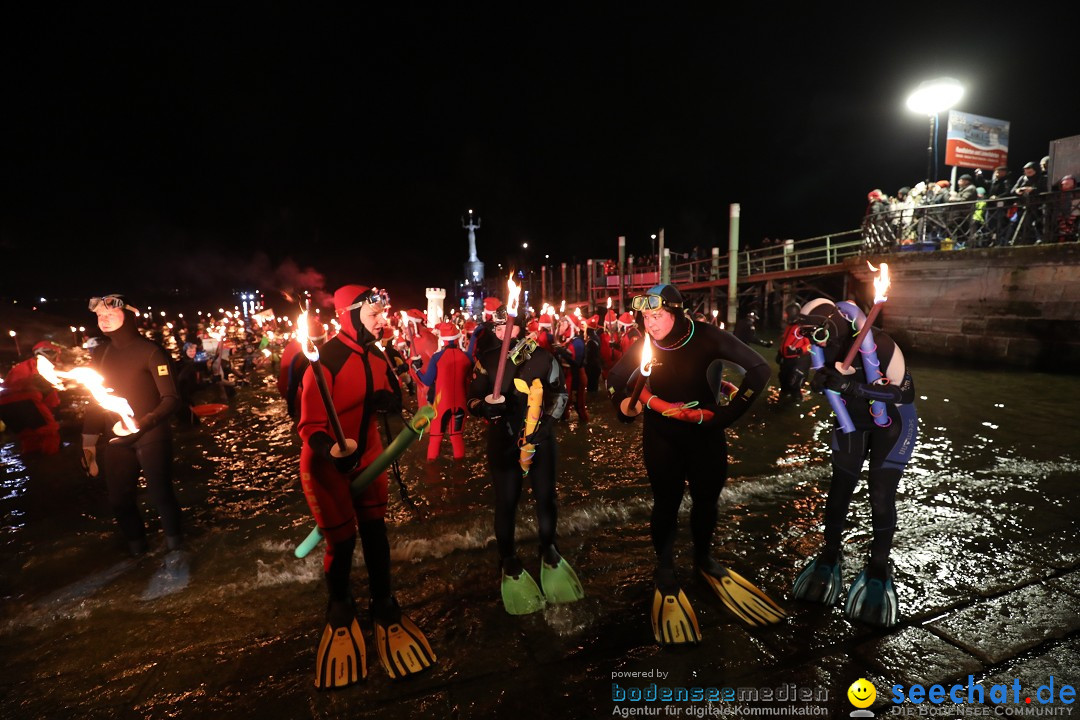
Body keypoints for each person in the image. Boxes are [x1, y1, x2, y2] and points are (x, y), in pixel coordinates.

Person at [606, 284, 779, 645]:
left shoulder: (708, 338)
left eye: (657, 316)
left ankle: (703, 559)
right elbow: (616, 379)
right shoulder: (646, 343)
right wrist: (624, 407)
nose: (650, 324)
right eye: (645, 317)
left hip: (705, 437)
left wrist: (724, 417)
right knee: (666, 503)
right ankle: (665, 567)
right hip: (662, 438)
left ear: (677, 312)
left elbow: (760, 371)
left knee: (706, 500)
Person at [297, 285, 434, 688]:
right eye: (374, 312)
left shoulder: (376, 354)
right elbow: (307, 426)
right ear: (350, 314)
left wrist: (390, 401)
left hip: (371, 456)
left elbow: (391, 395)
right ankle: (340, 604)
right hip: (327, 468)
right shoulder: (324, 362)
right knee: (341, 543)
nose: (382, 318)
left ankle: (383, 601)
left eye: (382, 311)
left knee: (376, 534)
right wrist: (331, 450)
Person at [790, 298, 918, 628]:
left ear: (838, 322)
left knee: (880, 492)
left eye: (821, 332)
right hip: (852, 424)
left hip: (893, 424)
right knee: (840, 485)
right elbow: (810, 371)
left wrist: (852, 386)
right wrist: (812, 380)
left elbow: (907, 393)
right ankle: (830, 554)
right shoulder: (819, 347)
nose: (818, 340)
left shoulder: (884, 345)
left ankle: (877, 567)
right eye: (811, 333)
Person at [466, 303, 581, 615]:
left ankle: (548, 547)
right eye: (497, 328)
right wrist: (484, 408)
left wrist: (544, 427)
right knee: (506, 501)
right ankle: (508, 557)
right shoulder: (487, 361)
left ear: (521, 327)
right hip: (503, 441)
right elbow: (472, 397)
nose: (502, 332)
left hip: (540, 441)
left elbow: (560, 394)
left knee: (546, 498)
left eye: (508, 327)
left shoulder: (545, 358)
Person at [81, 294, 183, 557]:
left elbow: (171, 399)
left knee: (161, 496)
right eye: (99, 316)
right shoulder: (101, 353)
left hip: (151, 432)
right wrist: (88, 442)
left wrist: (143, 421)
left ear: (128, 316)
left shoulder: (150, 351)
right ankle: (139, 557)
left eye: (110, 314)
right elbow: (95, 401)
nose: (103, 319)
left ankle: (178, 553)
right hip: (116, 436)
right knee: (118, 500)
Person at [417, 322, 472, 461]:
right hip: (461, 404)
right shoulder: (467, 357)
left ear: (443, 339)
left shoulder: (437, 357)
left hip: (441, 405)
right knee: (456, 437)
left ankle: (432, 473)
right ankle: (460, 473)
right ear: (457, 338)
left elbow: (427, 381)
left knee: (436, 439)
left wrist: (417, 369)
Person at [0, 340, 64, 455]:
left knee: (27, 436)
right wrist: (55, 410)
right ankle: (52, 463)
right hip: (26, 401)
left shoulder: (22, 366)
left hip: (4, 406)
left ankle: (32, 463)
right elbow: (51, 397)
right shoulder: (44, 367)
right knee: (50, 432)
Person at [277, 314, 327, 420]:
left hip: (308, 406)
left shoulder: (297, 358)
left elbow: (291, 387)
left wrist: (291, 408)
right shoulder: (334, 353)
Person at [776, 303, 811, 398]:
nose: (784, 315)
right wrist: (780, 353)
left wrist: (798, 350)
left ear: (791, 313)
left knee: (794, 383)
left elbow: (810, 345)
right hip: (786, 360)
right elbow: (785, 341)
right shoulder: (789, 326)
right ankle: (782, 400)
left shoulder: (802, 328)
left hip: (797, 360)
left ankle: (796, 402)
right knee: (783, 380)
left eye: (786, 313)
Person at [1011, 161, 1047, 245]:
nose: (1028, 174)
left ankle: (1039, 238)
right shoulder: (1022, 178)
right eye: (1026, 172)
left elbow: (1044, 190)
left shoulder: (1043, 178)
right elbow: (1012, 190)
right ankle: (1020, 240)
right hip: (1023, 204)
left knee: (1037, 223)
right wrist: (1018, 191)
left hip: (1037, 205)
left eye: (1030, 172)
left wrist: (1033, 190)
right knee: (1020, 223)